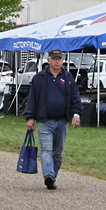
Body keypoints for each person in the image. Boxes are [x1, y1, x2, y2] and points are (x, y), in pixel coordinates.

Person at [25, 49, 82, 190]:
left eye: (60, 59)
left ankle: (52, 178)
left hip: (62, 121)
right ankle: (48, 175)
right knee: (46, 150)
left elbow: (75, 98)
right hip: (45, 121)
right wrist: (30, 117)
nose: (57, 61)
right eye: (54, 58)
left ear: (63, 61)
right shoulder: (39, 78)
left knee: (58, 154)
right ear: (48, 60)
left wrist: (76, 114)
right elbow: (32, 99)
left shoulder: (68, 78)